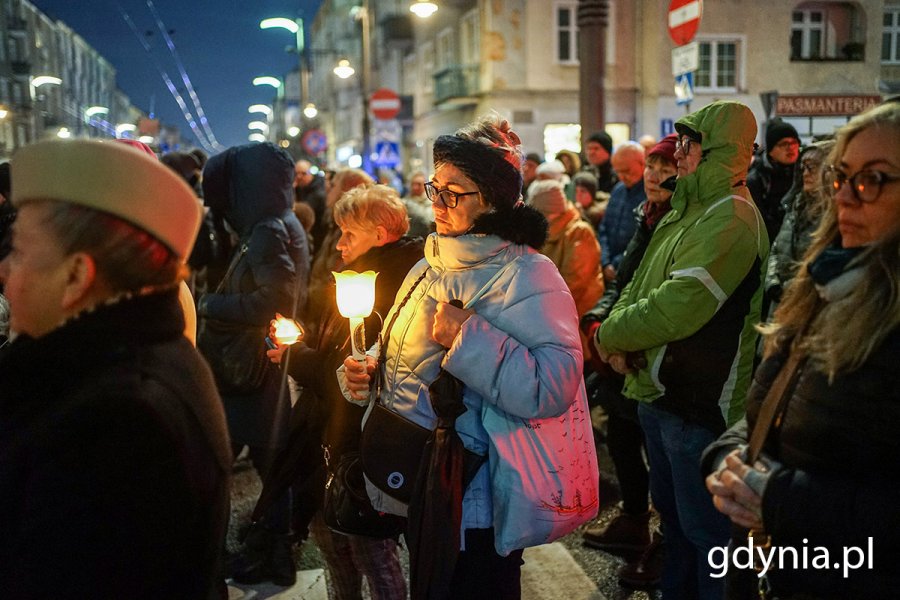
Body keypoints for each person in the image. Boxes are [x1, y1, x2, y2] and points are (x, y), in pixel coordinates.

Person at [342, 115, 594, 598]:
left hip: (477, 492)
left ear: (492, 199)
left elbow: (554, 384)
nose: (436, 202)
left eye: (453, 192)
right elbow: (399, 349)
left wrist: (468, 337)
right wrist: (366, 369)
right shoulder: (428, 263)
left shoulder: (528, 273)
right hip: (425, 481)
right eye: (434, 187)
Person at [0, 139, 231, 598]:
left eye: (20, 253)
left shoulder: (119, 421)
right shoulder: (120, 363)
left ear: (76, 277)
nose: (6, 271)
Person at [703, 101, 900, 599]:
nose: (848, 198)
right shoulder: (827, 282)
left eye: (874, 179)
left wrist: (778, 496)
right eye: (843, 176)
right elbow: (772, 399)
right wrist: (727, 458)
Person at [593, 101, 768, 600]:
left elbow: (678, 305)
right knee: (675, 528)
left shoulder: (730, 217)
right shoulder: (687, 208)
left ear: (715, 153)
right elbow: (638, 282)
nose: (680, 154)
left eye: (689, 145)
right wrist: (616, 334)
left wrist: (612, 337)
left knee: (708, 540)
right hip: (660, 392)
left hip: (700, 406)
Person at [264, 184, 422, 599]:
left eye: (350, 232)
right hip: (329, 439)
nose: (340, 242)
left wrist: (295, 356)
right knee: (335, 545)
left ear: (382, 234)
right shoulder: (362, 275)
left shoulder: (388, 286)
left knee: (371, 550)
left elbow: (348, 373)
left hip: (360, 445)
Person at [199, 142, 310, 587]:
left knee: (247, 460)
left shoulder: (266, 229)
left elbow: (276, 297)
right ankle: (268, 548)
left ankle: (269, 552)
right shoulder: (279, 222)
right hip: (259, 363)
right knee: (269, 461)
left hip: (250, 366)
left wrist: (210, 304)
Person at [580, 134, 678, 588]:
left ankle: (663, 545)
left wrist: (614, 331)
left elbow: (661, 295)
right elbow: (628, 278)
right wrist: (600, 316)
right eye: (651, 167)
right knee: (622, 434)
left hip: (658, 355)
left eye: (664, 167)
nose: (653, 176)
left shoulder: (679, 221)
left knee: (663, 453)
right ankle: (637, 522)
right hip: (626, 339)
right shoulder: (646, 212)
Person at [527, 178, 604, 357]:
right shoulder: (545, 233)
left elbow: (573, 285)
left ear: (550, 213)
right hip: (553, 321)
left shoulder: (579, 233)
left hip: (575, 324)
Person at [763, 138, 834, 317]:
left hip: (811, 307)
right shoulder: (795, 206)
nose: (805, 173)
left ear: (829, 170)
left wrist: (791, 288)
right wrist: (772, 282)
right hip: (779, 303)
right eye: (802, 167)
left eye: (812, 167)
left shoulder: (834, 215)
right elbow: (777, 248)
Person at [598, 141, 646, 283]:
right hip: (609, 267)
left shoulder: (650, 193)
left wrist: (616, 263)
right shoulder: (618, 190)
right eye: (618, 171)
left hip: (634, 270)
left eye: (626, 171)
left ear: (642, 163)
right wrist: (605, 261)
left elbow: (643, 238)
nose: (622, 177)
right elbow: (604, 227)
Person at [748, 119, 801, 242]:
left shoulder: (805, 174)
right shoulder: (757, 180)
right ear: (771, 150)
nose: (790, 148)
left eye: (794, 142)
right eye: (783, 144)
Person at [294, 159, 328, 253]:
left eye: (303, 173)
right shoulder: (299, 189)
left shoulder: (318, 193)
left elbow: (301, 212)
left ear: (311, 174)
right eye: (296, 173)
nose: (299, 176)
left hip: (316, 239)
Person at [402, 170, 434, 237]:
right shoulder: (404, 203)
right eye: (413, 184)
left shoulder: (432, 202)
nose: (415, 187)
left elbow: (428, 222)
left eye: (419, 184)